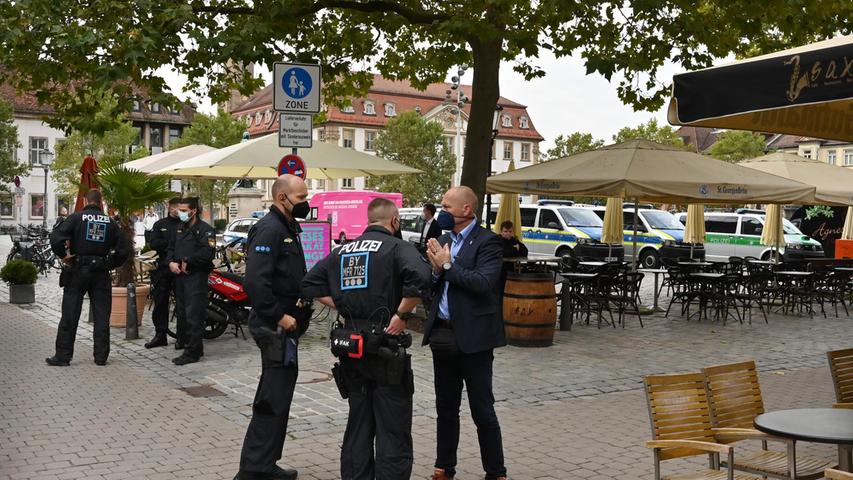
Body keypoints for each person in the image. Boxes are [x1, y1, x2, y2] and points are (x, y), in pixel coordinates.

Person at [302, 198, 430, 480]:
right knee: (392, 427)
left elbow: (309, 283)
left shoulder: (343, 250)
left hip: (352, 347)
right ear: (394, 221)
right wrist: (401, 314)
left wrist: (342, 305)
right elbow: (422, 278)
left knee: (359, 422)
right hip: (386, 345)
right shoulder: (398, 248)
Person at [424, 186, 508, 480]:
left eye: (447, 207)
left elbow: (483, 283)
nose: (442, 211)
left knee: (482, 410)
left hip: (475, 339)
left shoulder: (488, 242)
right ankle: (444, 467)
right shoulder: (444, 239)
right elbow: (433, 285)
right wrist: (434, 271)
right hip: (444, 336)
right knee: (445, 408)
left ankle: (496, 472)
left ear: (466, 210)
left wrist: (446, 265)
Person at [234, 175, 313, 480]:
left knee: (279, 396)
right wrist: (280, 316)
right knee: (272, 397)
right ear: (282, 198)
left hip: (286, 328)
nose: (306, 203)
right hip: (274, 327)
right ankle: (254, 468)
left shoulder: (287, 227)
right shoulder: (269, 229)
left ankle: (264, 462)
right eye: (301, 197)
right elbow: (256, 282)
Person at [46, 189, 130, 366]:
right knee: (101, 315)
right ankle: (101, 357)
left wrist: (64, 255)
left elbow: (55, 238)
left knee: (70, 314)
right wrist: (110, 264)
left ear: (85, 201)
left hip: (78, 269)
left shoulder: (76, 218)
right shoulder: (110, 222)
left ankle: (63, 356)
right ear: (101, 202)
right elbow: (124, 250)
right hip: (100, 272)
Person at [167, 197, 215, 365]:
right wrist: (171, 262)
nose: (179, 213)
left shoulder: (205, 230)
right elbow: (170, 248)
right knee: (182, 313)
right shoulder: (179, 228)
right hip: (179, 276)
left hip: (195, 277)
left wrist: (188, 259)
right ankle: (191, 345)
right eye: (179, 209)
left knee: (194, 315)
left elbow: (207, 253)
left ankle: (192, 352)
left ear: (193, 211)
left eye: (183, 210)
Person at [144, 197, 181, 349]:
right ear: (168, 207)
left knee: (182, 304)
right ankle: (160, 335)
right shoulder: (160, 224)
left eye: (179, 207)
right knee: (160, 303)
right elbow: (153, 243)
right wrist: (172, 244)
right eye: (174, 207)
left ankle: (182, 336)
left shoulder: (185, 224)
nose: (176, 210)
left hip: (180, 268)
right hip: (164, 268)